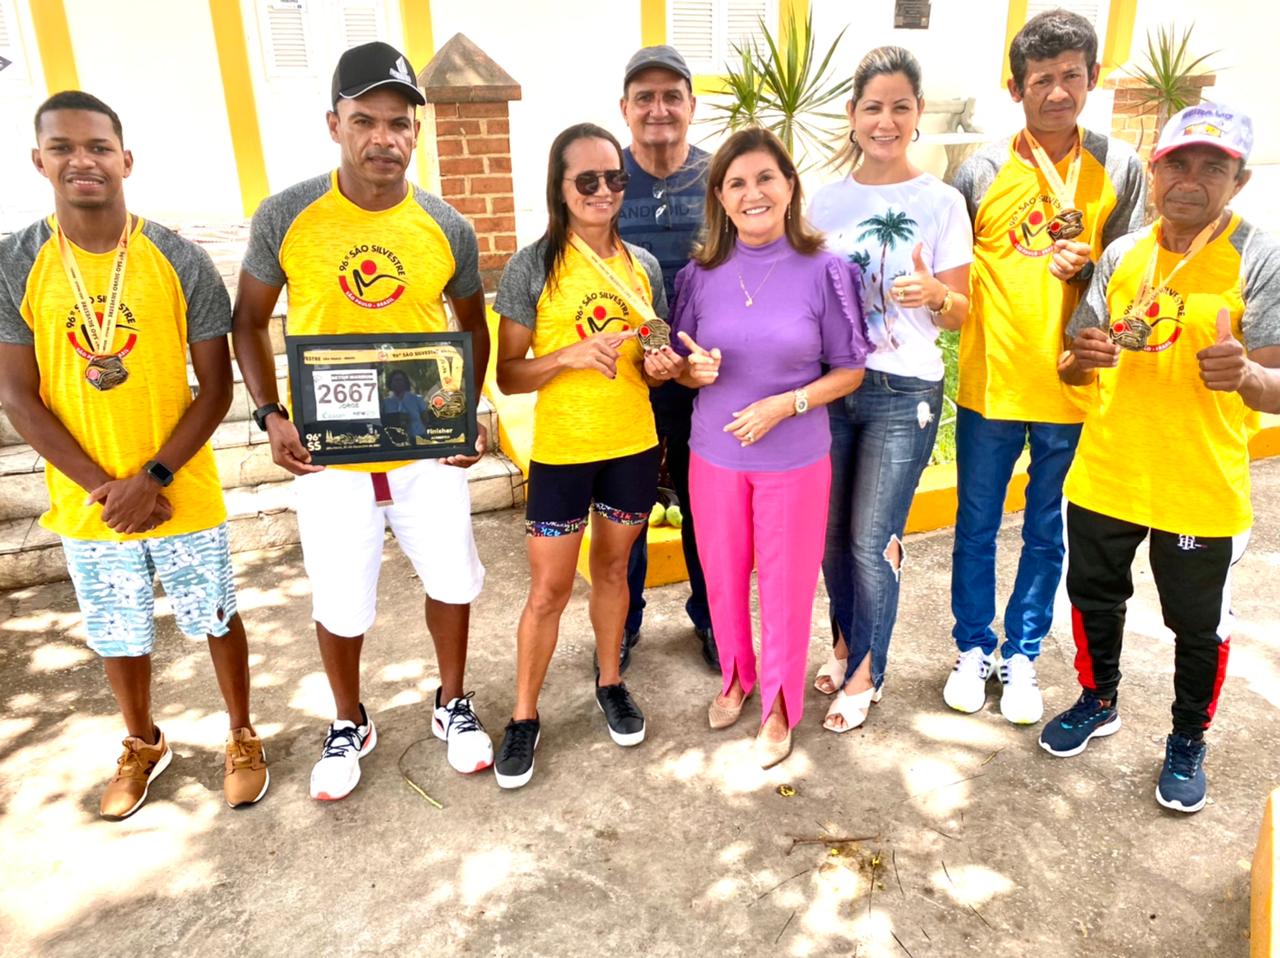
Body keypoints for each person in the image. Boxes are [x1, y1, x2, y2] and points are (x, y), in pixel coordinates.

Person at [231, 42, 493, 801]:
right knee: (339, 597)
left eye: (400, 123)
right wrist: (271, 413)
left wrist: (465, 410)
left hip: (421, 448)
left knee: (452, 580)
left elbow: (471, 328)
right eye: (365, 120)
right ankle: (349, 719)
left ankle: (452, 703)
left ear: (417, 132)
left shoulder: (446, 224)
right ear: (334, 124)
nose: (385, 138)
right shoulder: (288, 214)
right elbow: (249, 322)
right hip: (327, 454)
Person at [0, 92, 269, 819]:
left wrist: (151, 477)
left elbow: (215, 389)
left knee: (215, 616)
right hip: (89, 501)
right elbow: (20, 399)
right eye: (62, 148)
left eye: (97, 146)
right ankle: (143, 741)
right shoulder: (15, 262)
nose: (81, 160)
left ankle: (241, 734)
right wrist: (105, 488)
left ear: (126, 159)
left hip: (179, 485)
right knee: (116, 629)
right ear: (39, 161)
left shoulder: (176, 258)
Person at [1039, 104, 1280, 813]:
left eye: (1214, 167)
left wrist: (1249, 377)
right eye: (1179, 162)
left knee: (1196, 628)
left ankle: (1186, 740)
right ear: (1156, 170)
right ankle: (1098, 698)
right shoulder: (1123, 256)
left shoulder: (1259, 254)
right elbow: (1074, 363)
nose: (1192, 179)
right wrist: (1078, 360)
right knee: (1093, 599)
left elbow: (1274, 385)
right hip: (1108, 471)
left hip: (1199, 484)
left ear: (1237, 181)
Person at [943, 10, 1146, 724]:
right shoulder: (980, 170)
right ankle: (972, 646)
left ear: (1092, 78)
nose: (1056, 92)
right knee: (975, 524)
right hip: (991, 384)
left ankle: (1022, 654)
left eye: (1069, 76)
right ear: (1014, 88)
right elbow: (951, 271)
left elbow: (1134, 279)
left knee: (1044, 530)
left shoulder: (1118, 168)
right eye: (1040, 80)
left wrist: (1091, 271)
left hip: (1074, 384)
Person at [672, 127, 869, 767]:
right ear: (720, 199)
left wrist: (787, 404)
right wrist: (687, 370)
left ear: (789, 187)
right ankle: (736, 676)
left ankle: (780, 705)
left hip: (794, 461)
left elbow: (850, 369)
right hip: (713, 457)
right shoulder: (699, 275)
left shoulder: (825, 270)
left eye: (765, 178)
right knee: (723, 577)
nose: (752, 193)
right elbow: (679, 358)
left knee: (785, 588)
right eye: (736, 183)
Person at [492, 123, 674, 789]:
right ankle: (523, 716)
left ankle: (610, 682)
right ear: (561, 189)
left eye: (615, 178)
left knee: (615, 574)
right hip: (564, 455)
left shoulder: (644, 267)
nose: (604, 191)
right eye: (587, 180)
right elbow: (510, 374)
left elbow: (653, 367)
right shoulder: (532, 266)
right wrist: (567, 355)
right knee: (548, 590)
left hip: (630, 446)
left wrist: (659, 365)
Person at [808, 47, 972, 732]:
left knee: (873, 538)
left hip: (904, 395)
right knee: (830, 536)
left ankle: (869, 671)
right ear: (852, 115)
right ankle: (844, 643)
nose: (886, 119)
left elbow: (960, 314)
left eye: (900, 106)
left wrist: (936, 292)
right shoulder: (824, 200)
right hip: (833, 386)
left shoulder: (941, 200)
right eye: (872, 106)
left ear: (916, 114)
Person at [615, 45, 717, 673]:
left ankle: (710, 617)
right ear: (624, 109)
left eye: (671, 95)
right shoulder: (603, 177)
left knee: (705, 507)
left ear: (690, 105)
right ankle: (621, 623)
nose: (659, 108)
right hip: (623, 378)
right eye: (644, 97)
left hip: (705, 379)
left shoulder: (720, 176)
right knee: (624, 506)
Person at [382, 369, 429, 442]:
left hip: (418, 438)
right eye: (396, 380)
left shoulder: (417, 399)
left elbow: (426, 419)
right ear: (390, 382)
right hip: (395, 442)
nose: (398, 383)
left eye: (400, 380)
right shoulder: (386, 403)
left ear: (405, 382)